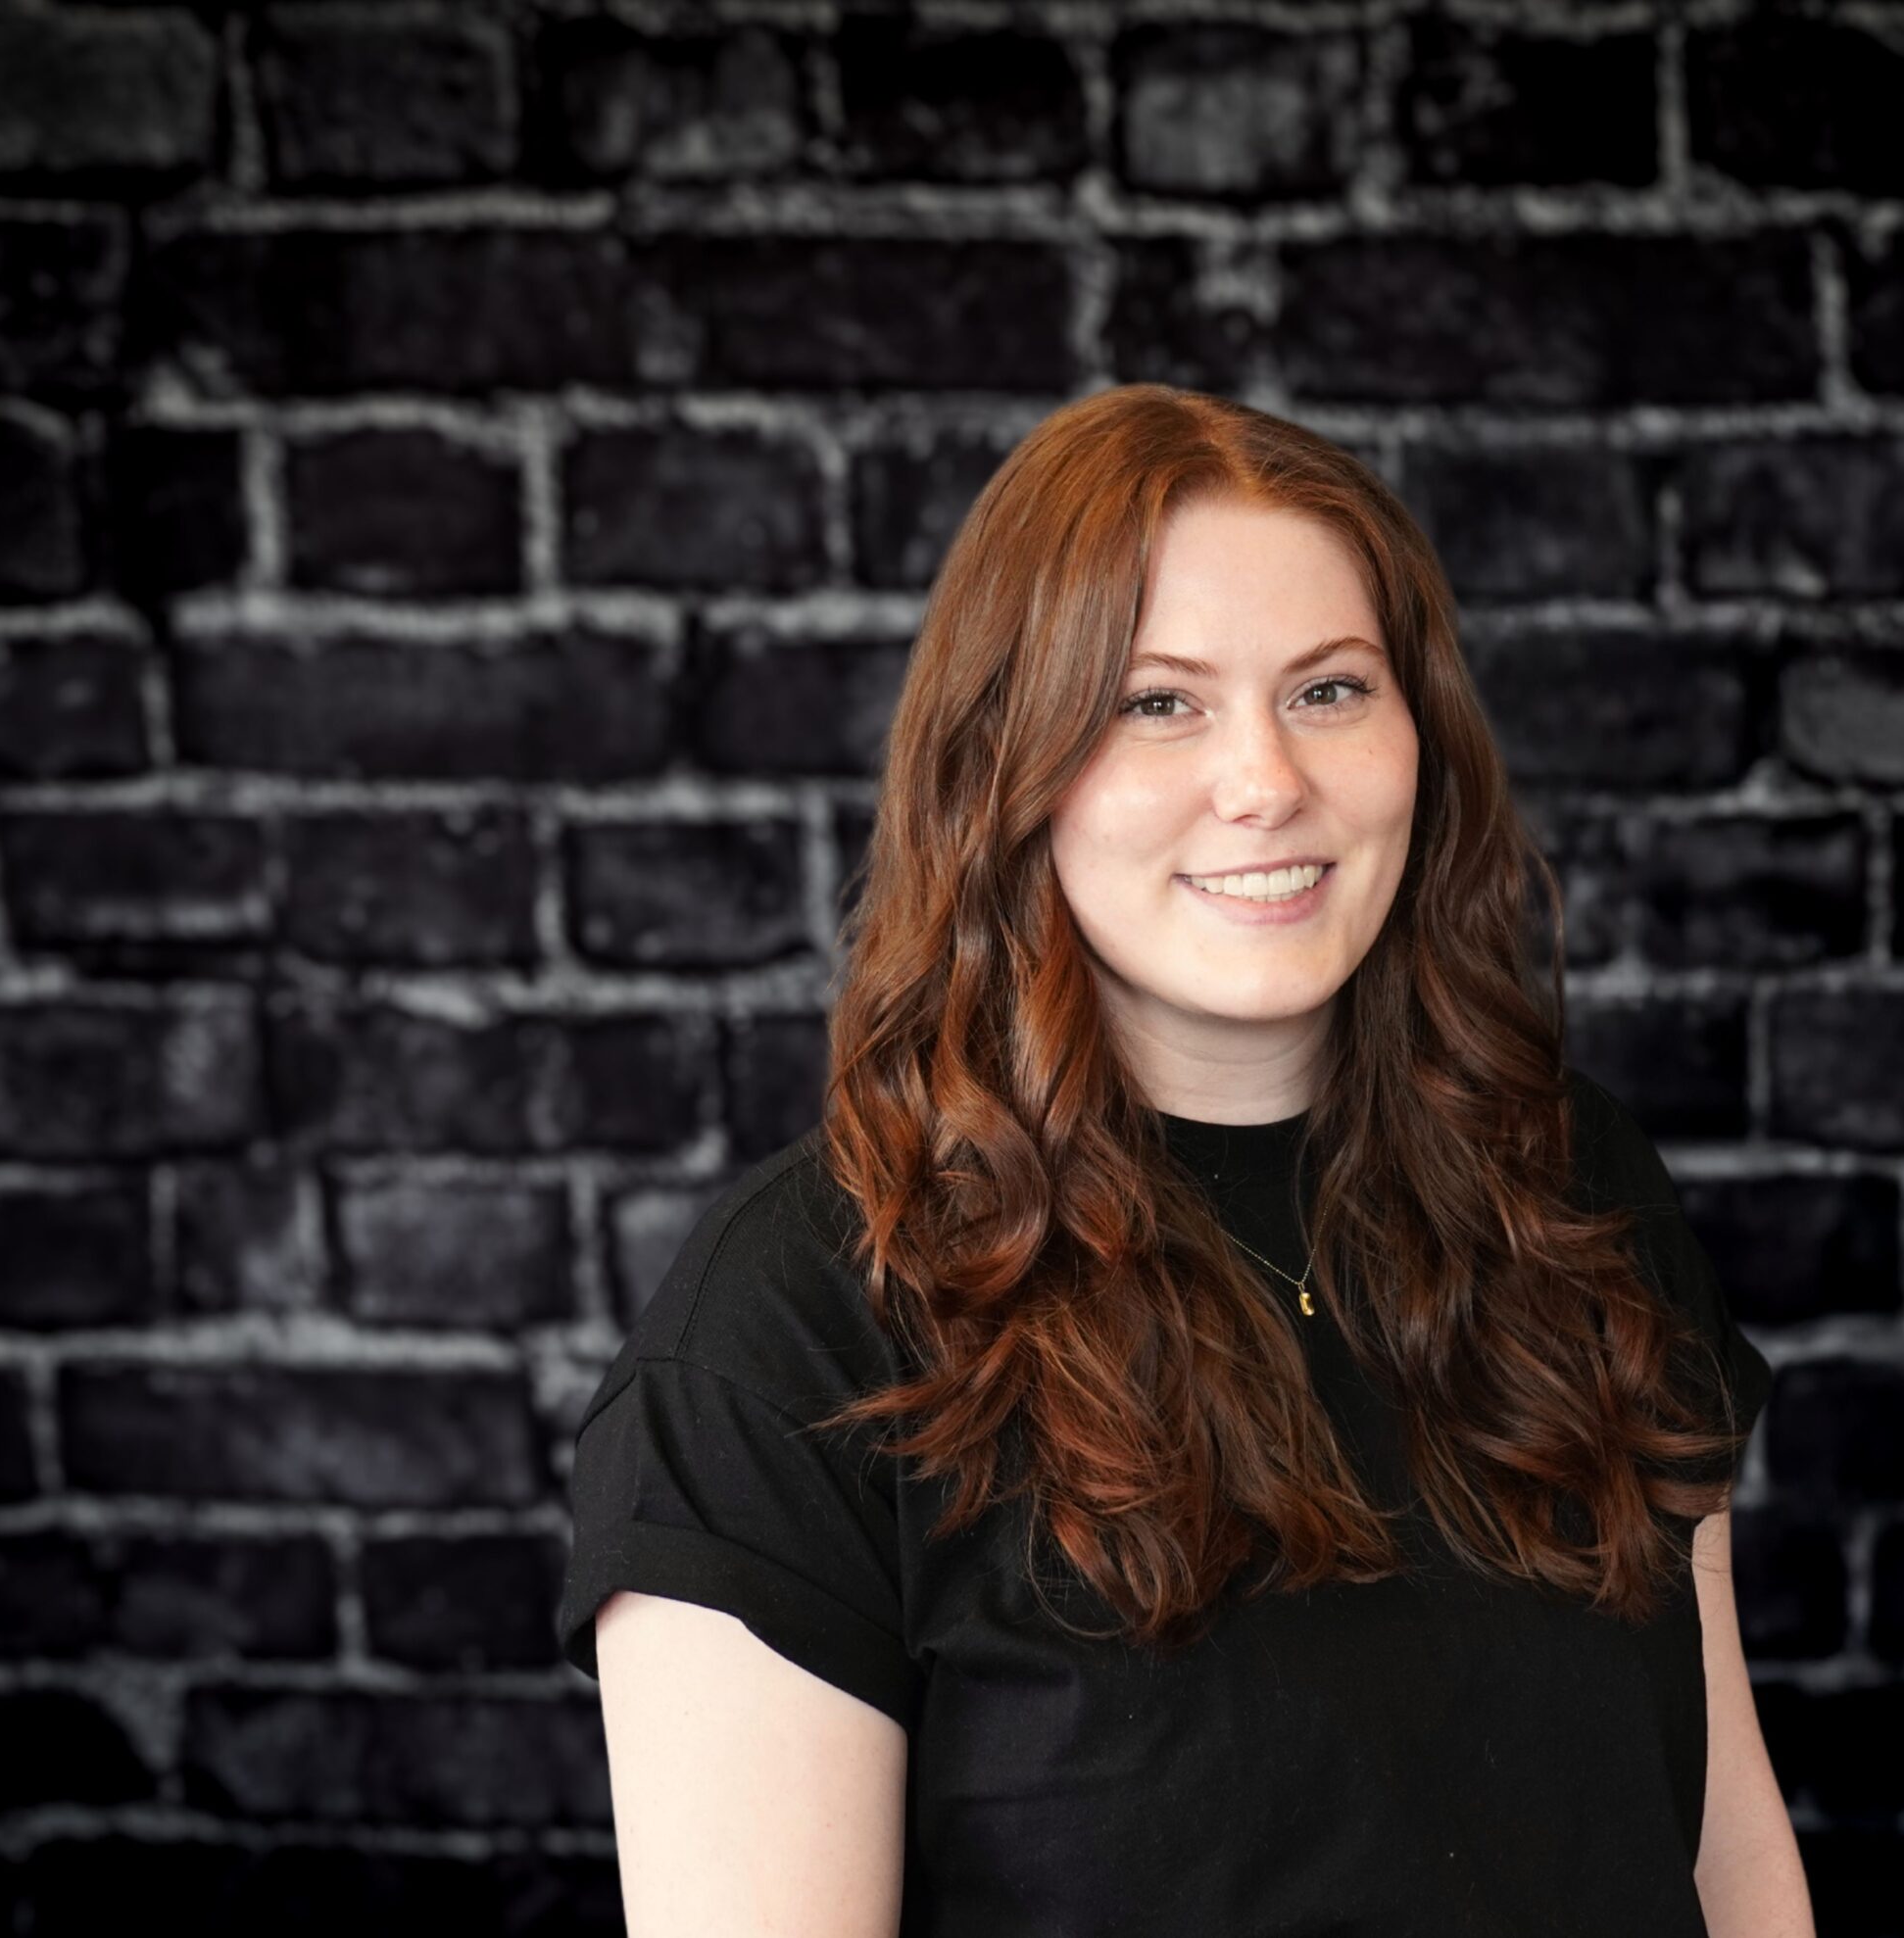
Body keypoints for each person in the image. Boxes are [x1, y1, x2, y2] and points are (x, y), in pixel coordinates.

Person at [554, 383, 1816, 1936]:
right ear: (1006, 765)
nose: (1267, 782)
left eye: (1331, 689)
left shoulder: (1569, 1189)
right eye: (1159, 702)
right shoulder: (786, 1329)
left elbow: (1725, 1845)